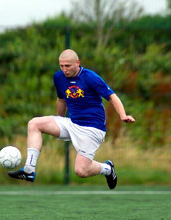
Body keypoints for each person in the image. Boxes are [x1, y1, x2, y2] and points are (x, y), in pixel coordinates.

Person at [8, 49, 135, 189]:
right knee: (34, 124)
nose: (64, 69)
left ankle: (108, 169)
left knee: (81, 171)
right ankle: (29, 170)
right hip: (71, 123)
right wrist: (59, 120)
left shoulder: (90, 77)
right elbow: (61, 100)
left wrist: (123, 115)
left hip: (92, 128)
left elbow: (112, 96)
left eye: (67, 66)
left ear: (77, 63)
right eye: (61, 66)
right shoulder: (58, 77)